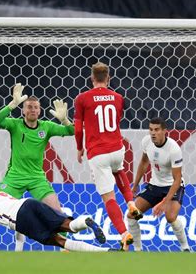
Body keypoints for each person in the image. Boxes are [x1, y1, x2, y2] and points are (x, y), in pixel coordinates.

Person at [0, 84, 74, 251]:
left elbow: (72, 131)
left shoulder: (46, 127)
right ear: (23, 111)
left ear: (39, 111)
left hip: (37, 178)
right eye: (29, 107)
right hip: (14, 178)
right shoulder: (15, 125)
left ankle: (65, 251)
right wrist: (12, 104)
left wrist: (64, 119)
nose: (33, 110)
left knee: (58, 213)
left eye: (35, 107)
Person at [74, 62, 142, 251]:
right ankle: (131, 203)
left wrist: (79, 147)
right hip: (117, 147)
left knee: (108, 198)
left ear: (91, 78)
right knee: (118, 170)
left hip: (98, 152)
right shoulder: (118, 98)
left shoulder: (82, 99)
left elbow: (79, 129)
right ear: (109, 78)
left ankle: (124, 233)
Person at [0, 177, 112, 252]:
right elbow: (19, 227)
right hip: (29, 203)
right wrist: (17, 251)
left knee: (59, 241)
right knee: (67, 225)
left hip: (20, 219)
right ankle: (85, 220)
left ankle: (105, 252)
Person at [127, 117, 190, 252]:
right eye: (150, 130)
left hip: (172, 185)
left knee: (170, 217)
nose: (153, 133)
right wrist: (135, 184)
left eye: (156, 130)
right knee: (132, 215)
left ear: (164, 131)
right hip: (154, 185)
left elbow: (177, 180)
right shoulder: (146, 142)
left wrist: (164, 202)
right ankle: (138, 251)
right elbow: (144, 162)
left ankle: (186, 249)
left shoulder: (173, 149)